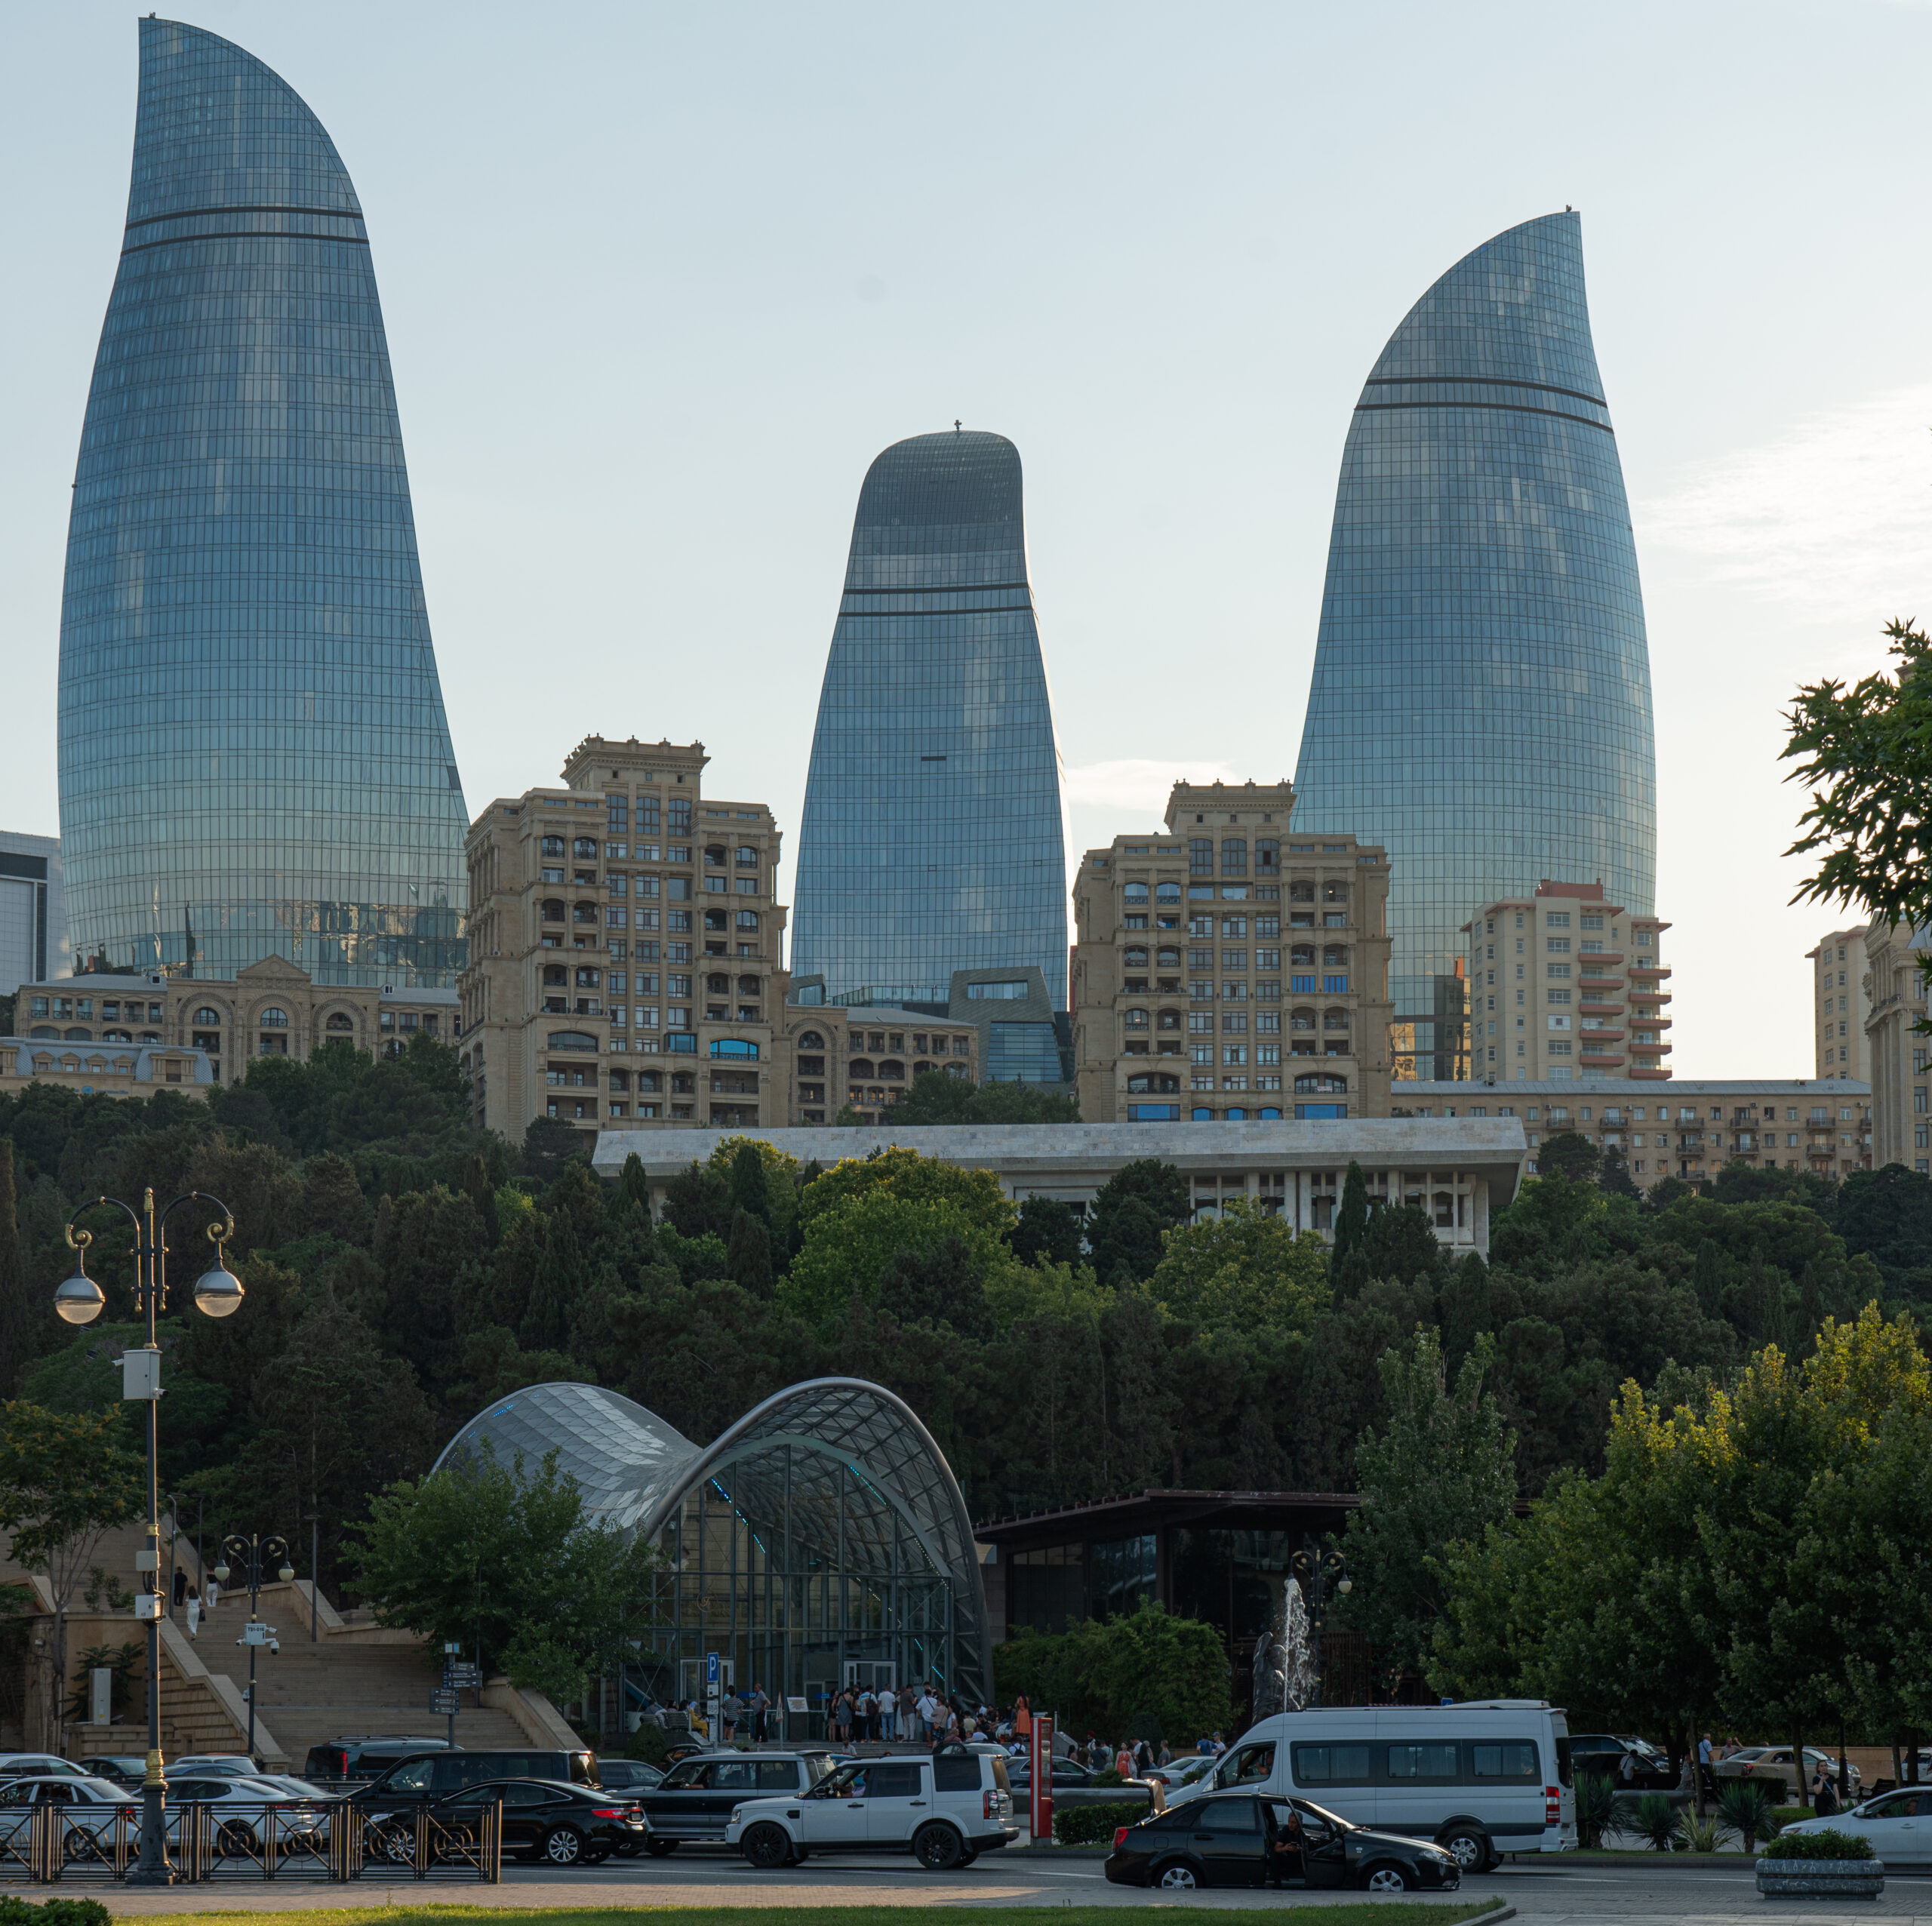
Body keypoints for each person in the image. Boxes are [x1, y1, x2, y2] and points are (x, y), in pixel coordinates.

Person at [1266, 1804, 1306, 1889]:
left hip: (1301, 1859)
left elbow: (1310, 1850)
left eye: (1293, 1823)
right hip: (1288, 1858)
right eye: (1289, 1822)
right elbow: (1277, 1848)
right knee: (1274, 1854)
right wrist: (1285, 1848)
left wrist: (1300, 1849)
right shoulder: (1286, 1830)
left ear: (1300, 1823)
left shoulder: (1305, 1831)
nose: (1290, 1825)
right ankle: (1277, 1881)